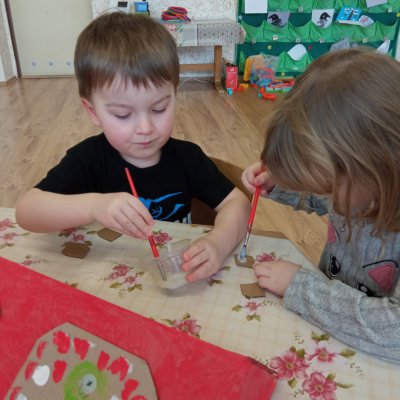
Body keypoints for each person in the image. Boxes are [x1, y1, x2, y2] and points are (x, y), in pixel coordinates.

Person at [15, 12, 250, 283]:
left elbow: (237, 203)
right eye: (123, 115)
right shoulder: (88, 159)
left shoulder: (187, 158)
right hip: (107, 283)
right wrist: (93, 206)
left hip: (178, 279)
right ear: (93, 111)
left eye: (159, 108)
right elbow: (27, 211)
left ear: (175, 95)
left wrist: (218, 243)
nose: (145, 128)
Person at [242, 47, 400, 364]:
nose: (328, 198)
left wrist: (302, 288)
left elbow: (393, 332)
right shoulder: (364, 185)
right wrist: (282, 185)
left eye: (328, 186)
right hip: (333, 323)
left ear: (378, 168)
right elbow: (329, 200)